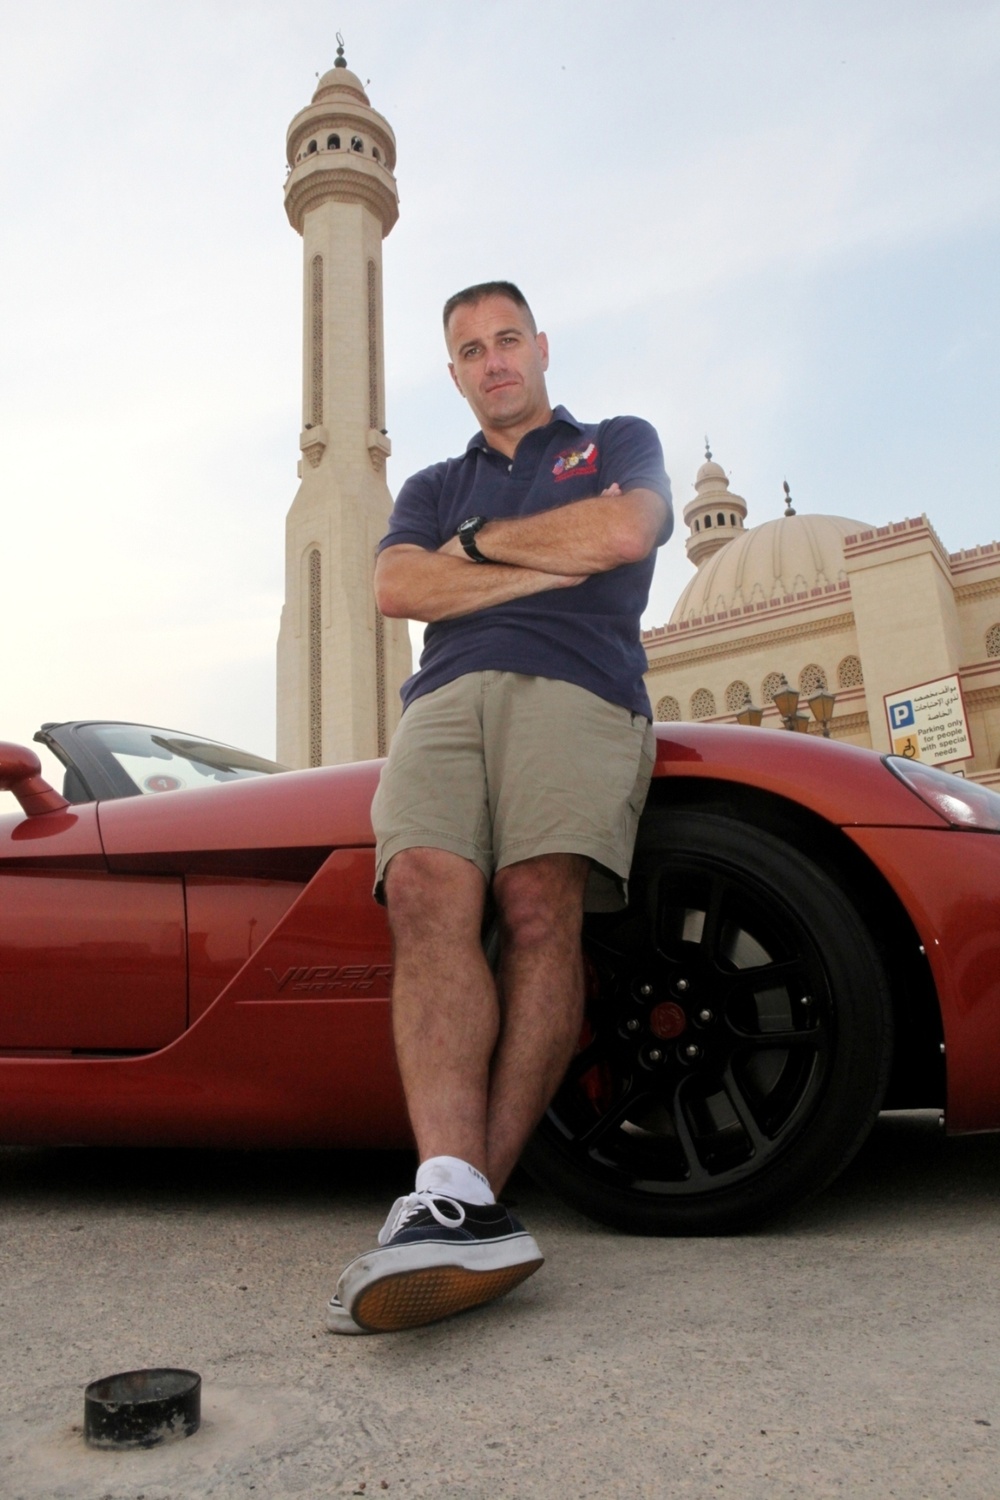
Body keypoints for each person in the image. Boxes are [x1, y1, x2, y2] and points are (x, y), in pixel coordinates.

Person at [327, 281, 672, 1334]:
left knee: (535, 905)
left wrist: (472, 554)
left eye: (508, 339)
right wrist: (546, 562)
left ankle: (470, 1198)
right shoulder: (434, 483)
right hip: (440, 700)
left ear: (541, 345)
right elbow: (398, 589)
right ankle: (454, 1193)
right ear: (453, 373)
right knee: (424, 892)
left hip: (577, 687)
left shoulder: (615, 440)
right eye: (472, 349)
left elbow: (627, 530)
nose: (494, 361)